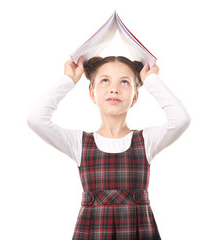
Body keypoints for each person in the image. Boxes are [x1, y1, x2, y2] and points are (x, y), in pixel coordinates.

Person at [27, 55, 190, 239]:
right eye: (105, 81)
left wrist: (151, 80)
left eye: (125, 82)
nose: (114, 89)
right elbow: (36, 119)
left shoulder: (146, 141)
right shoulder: (79, 143)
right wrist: (69, 80)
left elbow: (180, 119)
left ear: (135, 97)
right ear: (91, 93)